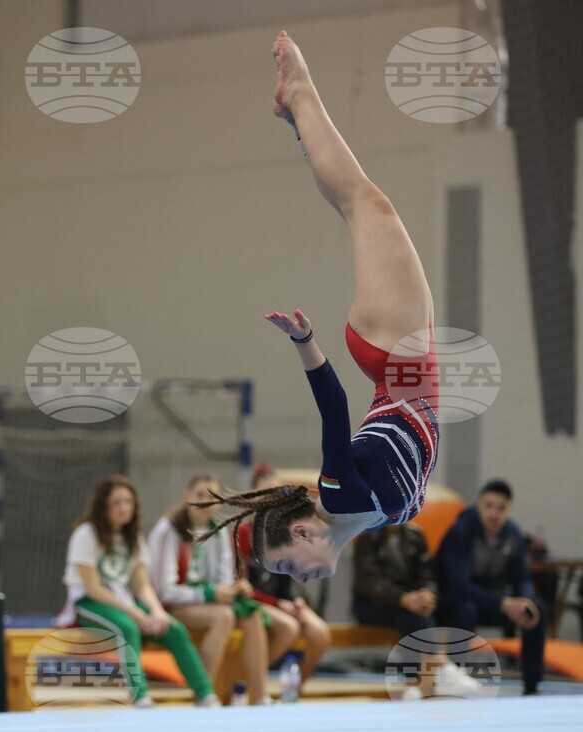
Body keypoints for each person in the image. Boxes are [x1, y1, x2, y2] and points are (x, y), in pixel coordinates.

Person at [197, 31, 439, 584]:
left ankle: (301, 95)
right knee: (361, 206)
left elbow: (334, 412)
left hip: (399, 359)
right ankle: (297, 117)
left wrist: (305, 343)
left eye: (287, 566)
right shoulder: (361, 518)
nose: (298, 579)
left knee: (364, 204)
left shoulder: (338, 493)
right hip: (398, 366)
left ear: (303, 532)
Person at [63, 474, 220, 708]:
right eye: (116, 502)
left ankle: (205, 694)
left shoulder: (132, 537)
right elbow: (93, 588)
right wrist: (136, 613)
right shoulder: (86, 534)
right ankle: (140, 697)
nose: (123, 507)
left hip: (124, 603)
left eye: (127, 501)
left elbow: (142, 585)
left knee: (174, 629)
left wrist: (156, 611)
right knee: (127, 627)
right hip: (90, 604)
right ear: (103, 506)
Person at [148, 474, 271, 705]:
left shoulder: (219, 529)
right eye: (200, 495)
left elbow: (223, 577)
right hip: (168, 606)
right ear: (187, 496)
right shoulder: (168, 530)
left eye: (212, 497)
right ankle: (203, 694)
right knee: (223, 617)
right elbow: (164, 591)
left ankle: (260, 696)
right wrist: (209, 594)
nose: (206, 502)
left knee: (253, 614)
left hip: (203, 602)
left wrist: (234, 588)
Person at [437, 479, 545, 695]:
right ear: (478, 505)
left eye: (501, 508)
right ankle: (455, 677)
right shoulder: (461, 530)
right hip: (449, 601)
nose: (494, 514)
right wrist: (504, 603)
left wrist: (522, 601)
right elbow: (459, 586)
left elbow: (522, 578)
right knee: (466, 607)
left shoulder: (513, 534)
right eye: (489, 506)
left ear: (509, 510)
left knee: (536, 608)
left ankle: (532, 685)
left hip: (489, 600)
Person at [353, 524, 480, 697]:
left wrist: (426, 594)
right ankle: (442, 665)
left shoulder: (416, 535)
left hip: (409, 606)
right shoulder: (368, 538)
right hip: (371, 604)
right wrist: (403, 599)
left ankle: (412, 686)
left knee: (414, 614)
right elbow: (370, 583)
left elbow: (427, 573)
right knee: (409, 613)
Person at [236, 466, 331, 689]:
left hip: (279, 602)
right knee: (288, 629)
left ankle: (294, 691)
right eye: (266, 492)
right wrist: (279, 603)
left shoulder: (286, 533)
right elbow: (242, 585)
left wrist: (293, 600)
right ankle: (244, 682)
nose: (271, 499)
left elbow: (287, 579)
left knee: (321, 634)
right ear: (254, 495)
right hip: (253, 600)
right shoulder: (243, 533)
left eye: (276, 493)